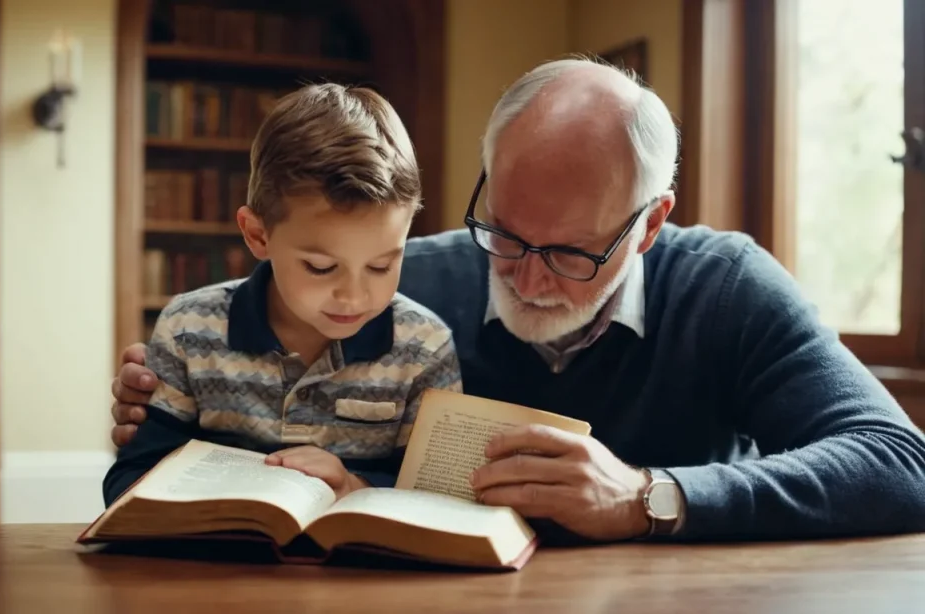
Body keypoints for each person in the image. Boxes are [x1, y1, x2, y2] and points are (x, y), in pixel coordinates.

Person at [110, 58, 925, 542]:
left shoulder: (725, 287)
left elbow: (900, 465)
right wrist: (176, 395)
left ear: (650, 225)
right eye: (503, 230)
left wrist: (652, 498)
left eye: (571, 252)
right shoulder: (398, 283)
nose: (526, 277)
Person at [102, 83, 461, 507]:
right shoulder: (189, 329)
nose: (353, 296)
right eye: (321, 267)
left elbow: (437, 496)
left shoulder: (424, 347)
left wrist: (351, 487)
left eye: (382, 266)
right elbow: (128, 480)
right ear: (257, 234)